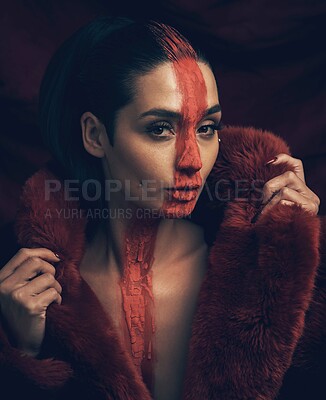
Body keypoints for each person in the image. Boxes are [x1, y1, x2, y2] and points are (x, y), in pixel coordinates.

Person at [0, 15, 324, 400]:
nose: (193, 161)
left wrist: (295, 252)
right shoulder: (30, 291)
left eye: (207, 128)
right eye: (160, 128)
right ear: (95, 135)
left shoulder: (269, 262)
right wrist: (24, 354)